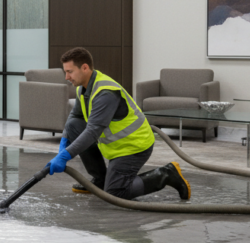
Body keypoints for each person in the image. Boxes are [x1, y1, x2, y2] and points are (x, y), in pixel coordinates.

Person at [48, 47, 190, 200]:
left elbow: (92, 132)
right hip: (116, 146)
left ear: (85, 67)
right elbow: (75, 116)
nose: (67, 77)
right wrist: (64, 140)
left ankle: (166, 174)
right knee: (74, 125)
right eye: (65, 72)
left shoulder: (105, 93)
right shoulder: (83, 88)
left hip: (133, 146)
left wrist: (65, 156)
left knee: (115, 193)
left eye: (70, 72)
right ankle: (100, 180)